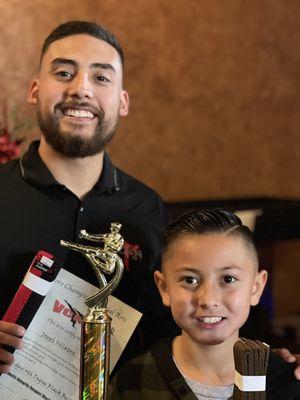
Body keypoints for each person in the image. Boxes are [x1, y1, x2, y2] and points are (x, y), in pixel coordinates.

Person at [0, 21, 171, 374]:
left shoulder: (148, 209)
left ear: (122, 102)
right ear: (34, 90)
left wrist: (270, 363)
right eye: (64, 72)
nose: (81, 89)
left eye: (101, 78)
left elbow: (169, 331)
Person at [108, 209, 300, 399]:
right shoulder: (132, 383)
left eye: (228, 279)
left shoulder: (287, 382)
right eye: (190, 280)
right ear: (164, 288)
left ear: (256, 287)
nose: (208, 300)